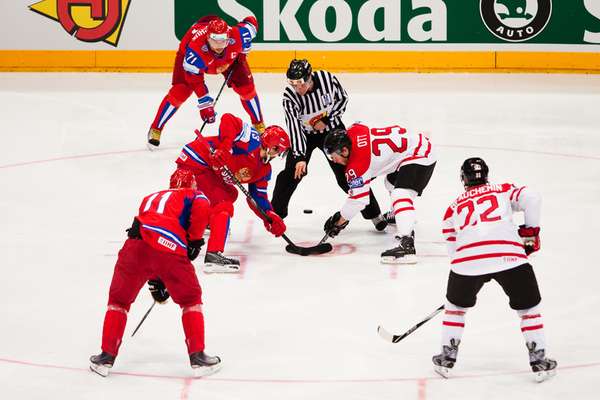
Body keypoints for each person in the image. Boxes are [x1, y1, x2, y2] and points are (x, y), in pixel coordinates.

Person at [432, 157, 557, 382]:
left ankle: (446, 358)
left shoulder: (453, 206)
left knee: (455, 308)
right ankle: (539, 361)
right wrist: (530, 233)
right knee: (529, 309)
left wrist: (471, 269)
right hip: (510, 257)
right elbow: (532, 198)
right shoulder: (504, 190)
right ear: (487, 175)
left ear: (463, 179)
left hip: (467, 262)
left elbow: (450, 238)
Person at [89, 169, 221, 378]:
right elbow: (200, 208)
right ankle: (198, 358)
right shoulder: (195, 195)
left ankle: (105, 357)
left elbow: (149, 237)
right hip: (168, 249)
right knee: (190, 299)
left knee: (119, 300)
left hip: (134, 246)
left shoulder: (151, 197)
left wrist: (156, 279)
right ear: (193, 184)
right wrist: (195, 241)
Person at [271, 59, 386, 230]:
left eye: (301, 83)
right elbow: (293, 126)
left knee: (348, 175)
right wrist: (300, 157)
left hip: (331, 132)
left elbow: (342, 99)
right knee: (291, 174)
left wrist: (328, 119)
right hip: (305, 136)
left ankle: (374, 214)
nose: (298, 88)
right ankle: (275, 216)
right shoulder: (290, 96)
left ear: (309, 77)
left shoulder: (327, 79)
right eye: (293, 84)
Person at [174, 113, 289, 272]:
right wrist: (225, 148)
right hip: (196, 160)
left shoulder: (263, 170)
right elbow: (228, 118)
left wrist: (269, 216)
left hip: (209, 171)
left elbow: (257, 197)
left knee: (230, 194)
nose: (279, 155)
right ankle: (214, 254)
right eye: (279, 151)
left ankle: (205, 221)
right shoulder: (252, 139)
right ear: (274, 146)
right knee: (224, 205)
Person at [322, 123, 436, 264]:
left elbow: (358, 200)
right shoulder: (354, 131)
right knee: (390, 183)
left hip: (420, 155)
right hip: (413, 148)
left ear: (344, 151)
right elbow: (359, 125)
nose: (333, 160)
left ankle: (407, 245)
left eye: (333, 156)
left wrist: (339, 221)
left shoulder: (357, 165)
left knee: (400, 194)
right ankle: (397, 215)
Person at [147, 15, 264, 150]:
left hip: (228, 59)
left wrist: (242, 53)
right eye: (215, 42)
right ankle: (156, 128)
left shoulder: (238, 35)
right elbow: (195, 79)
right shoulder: (194, 50)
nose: (219, 47)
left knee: (247, 89)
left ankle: (259, 124)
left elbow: (251, 21)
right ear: (207, 39)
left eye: (223, 41)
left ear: (229, 37)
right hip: (192, 59)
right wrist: (204, 104)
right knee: (180, 92)